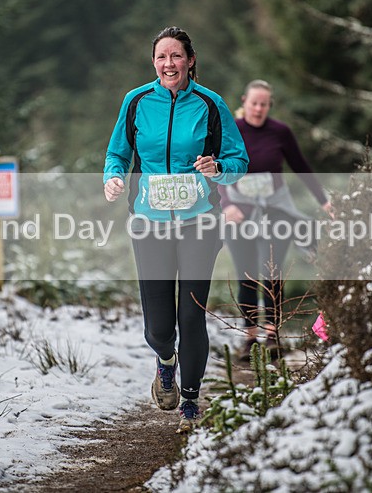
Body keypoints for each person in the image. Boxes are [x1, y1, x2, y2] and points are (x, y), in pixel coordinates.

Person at [103, 26, 248, 432]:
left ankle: (189, 401)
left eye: (176, 56)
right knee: (159, 326)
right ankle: (165, 362)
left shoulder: (210, 103)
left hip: (199, 222)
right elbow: (118, 152)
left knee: (192, 316)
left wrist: (217, 168)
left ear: (190, 60)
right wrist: (113, 176)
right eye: (162, 57)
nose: (169, 63)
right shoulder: (136, 102)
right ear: (154, 62)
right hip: (149, 223)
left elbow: (239, 159)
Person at [218, 79, 333, 360]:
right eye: (254, 103)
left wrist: (324, 201)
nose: (258, 109)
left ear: (270, 106)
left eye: (264, 104)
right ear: (244, 101)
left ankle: (272, 335)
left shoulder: (280, 132)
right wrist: (228, 204)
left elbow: (301, 167)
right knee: (246, 275)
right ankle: (249, 337)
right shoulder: (230, 131)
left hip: (275, 213)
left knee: (271, 273)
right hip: (239, 214)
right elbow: (216, 170)